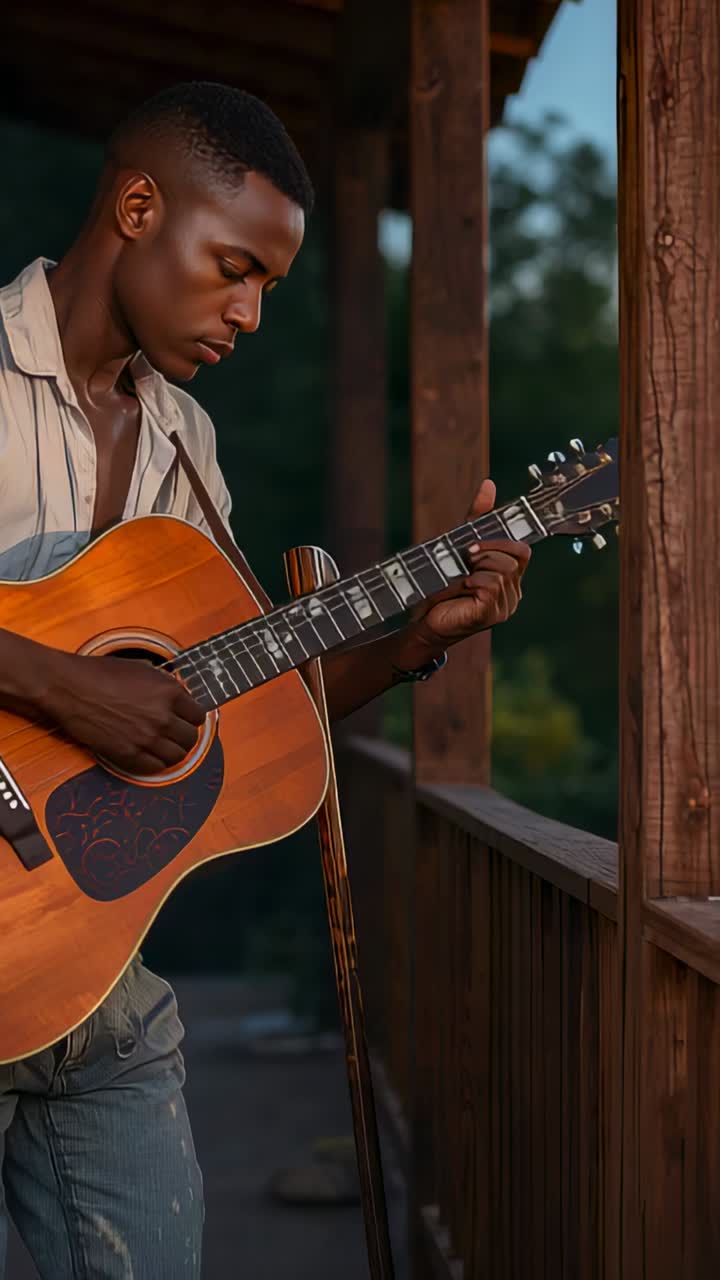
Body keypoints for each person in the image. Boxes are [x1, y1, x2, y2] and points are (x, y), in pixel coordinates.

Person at [0, 81, 530, 1277]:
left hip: (101, 989)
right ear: (139, 206)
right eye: (234, 265)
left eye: (269, 289)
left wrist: (407, 639)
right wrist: (61, 687)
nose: (248, 312)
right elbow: (95, 693)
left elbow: (236, 714)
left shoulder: (189, 440)